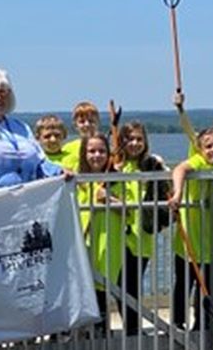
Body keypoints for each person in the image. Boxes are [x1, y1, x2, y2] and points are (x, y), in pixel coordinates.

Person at [166, 128, 213, 332]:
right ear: (200, 148)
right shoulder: (199, 161)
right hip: (191, 240)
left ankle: (211, 322)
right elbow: (180, 169)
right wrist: (178, 192)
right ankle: (178, 322)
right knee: (184, 283)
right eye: (209, 146)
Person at [115, 121, 169, 337]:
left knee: (131, 285)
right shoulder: (116, 163)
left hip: (141, 235)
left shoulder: (151, 164)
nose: (135, 143)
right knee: (116, 284)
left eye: (139, 139)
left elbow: (168, 186)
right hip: (116, 233)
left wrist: (162, 169)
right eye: (130, 139)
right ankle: (131, 328)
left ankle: (134, 329)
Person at [77, 134, 126, 333]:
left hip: (106, 243)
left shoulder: (116, 181)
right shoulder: (77, 179)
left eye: (101, 151)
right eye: (91, 151)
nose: (97, 155)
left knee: (101, 292)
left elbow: (130, 209)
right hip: (80, 244)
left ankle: (101, 338)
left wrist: (108, 199)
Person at [60, 101, 100, 171]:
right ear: (75, 125)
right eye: (82, 122)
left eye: (91, 121)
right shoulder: (67, 148)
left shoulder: (104, 147)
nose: (87, 124)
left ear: (98, 122)